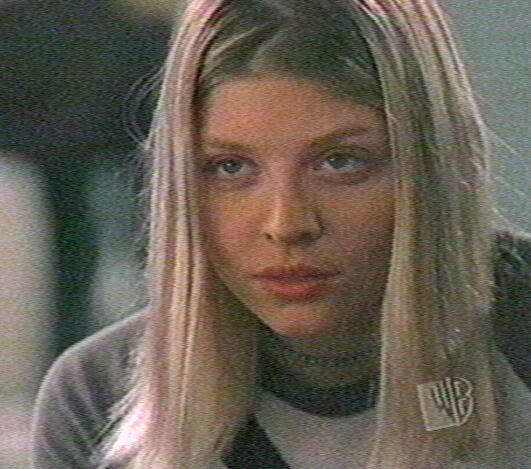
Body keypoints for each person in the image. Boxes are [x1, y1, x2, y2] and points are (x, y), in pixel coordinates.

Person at [31, 1, 531, 468]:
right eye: (230, 167)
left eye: (341, 162)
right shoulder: (103, 397)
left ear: (429, 167)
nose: (286, 224)